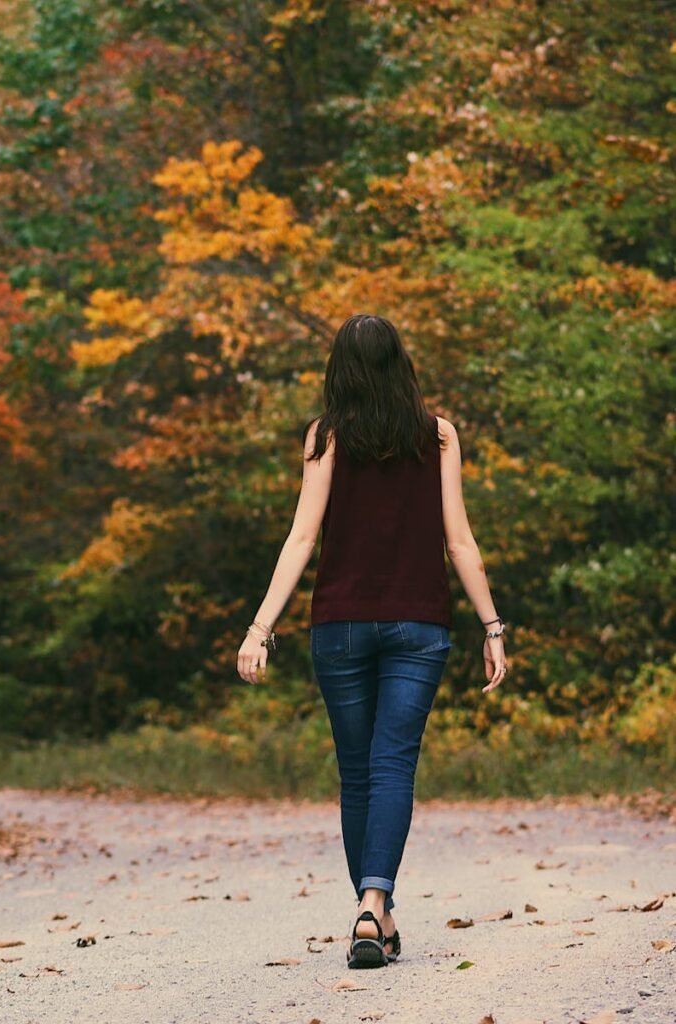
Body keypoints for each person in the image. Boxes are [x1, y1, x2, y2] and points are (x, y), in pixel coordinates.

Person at [237, 313, 508, 969]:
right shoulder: (437, 436)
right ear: (400, 362)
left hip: (340, 625)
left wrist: (260, 627)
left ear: (340, 370)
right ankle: (374, 905)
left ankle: (370, 911)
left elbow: (301, 537)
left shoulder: (325, 436)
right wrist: (492, 625)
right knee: (391, 766)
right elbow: (459, 540)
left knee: (356, 772)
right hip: (420, 625)